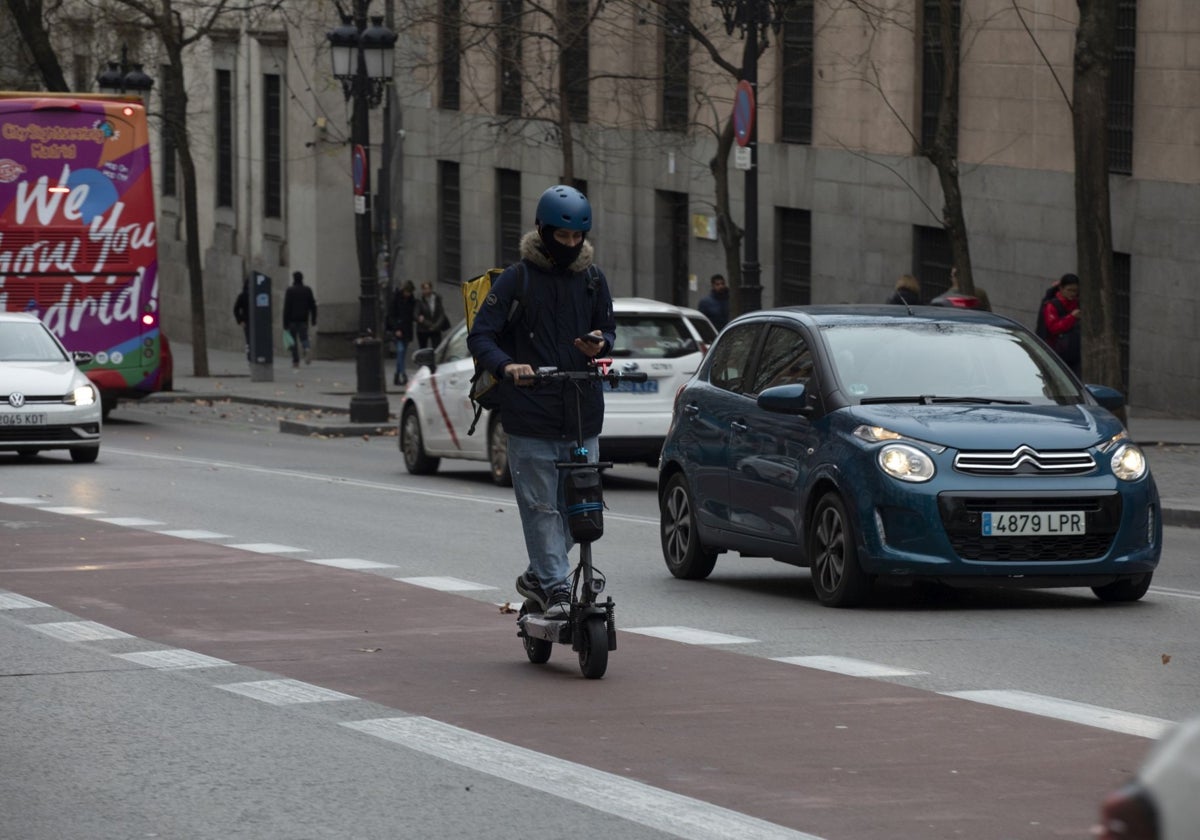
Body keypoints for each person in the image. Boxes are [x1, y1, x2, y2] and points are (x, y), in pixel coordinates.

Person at [467, 184, 616, 620]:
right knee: (540, 509)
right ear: (541, 229)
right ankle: (555, 591)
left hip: (581, 412)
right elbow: (482, 335)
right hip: (530, 416)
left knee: (580, 512)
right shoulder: (519, 278)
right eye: (561, 237)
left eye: (576, 238)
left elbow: (608, 330)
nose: (569, 246)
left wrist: (598, 343)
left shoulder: (592, 279)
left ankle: (536, 575)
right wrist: (507, 366)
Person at [1042, 272, 1081, 376]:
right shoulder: (1052, 305)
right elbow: (1053, 328)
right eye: (1069, 290)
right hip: (1056, 353)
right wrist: (1071, 318)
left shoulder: (1077, 304)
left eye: (1075, 291)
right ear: (1061, 289)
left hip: (1074, 353)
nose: (1072, 294)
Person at [282, 270, 318, 368]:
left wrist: (285, 324)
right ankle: (306, 349)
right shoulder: (307, 290)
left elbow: (287, 308)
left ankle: (295, 361)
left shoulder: (290, 291)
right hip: (303, 319)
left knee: (293, 342)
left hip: (292, 320)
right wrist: (314, 318)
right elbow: (313, 306)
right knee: (304, 337)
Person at [387, 281, 416, 386]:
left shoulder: (411, 300)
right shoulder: (396, 299)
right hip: (398, 329)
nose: (408, 294)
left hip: (407, 330)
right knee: (400, 350)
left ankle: (397, 375)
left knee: (402, 354)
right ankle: (403, 374)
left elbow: (411, 315)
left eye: (410, 292)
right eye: (407, 292)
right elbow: (391, 315)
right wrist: (396, 329)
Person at [415, 281, 451, 349]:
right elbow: (416, 315)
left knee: (436, 348)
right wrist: (429, 324)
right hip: (423, 329)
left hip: (435, 328)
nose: (427, 290)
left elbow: (441, 314)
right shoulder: (419, 300)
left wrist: (435, 326)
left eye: (428, 288)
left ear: (431, 289)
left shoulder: (437, 299)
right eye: (425, 289)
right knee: (423, 349)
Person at [233, 279, 250, 359]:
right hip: (247, 321)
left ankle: (249, 355)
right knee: (249, 340)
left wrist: (240, 320)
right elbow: (236, 309)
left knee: (249, 340)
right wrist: (240, 320)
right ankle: (249, 356)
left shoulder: (244, 295)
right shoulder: (243, 296)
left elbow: (236, 309)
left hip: (248, 321)